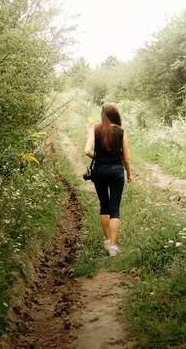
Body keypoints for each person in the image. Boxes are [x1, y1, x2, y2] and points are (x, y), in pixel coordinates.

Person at [84, 102, 132, 256]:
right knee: (115, 209)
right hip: (117, 171)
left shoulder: (95, 128)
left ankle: (107, 240)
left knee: (104, 205)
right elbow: (126, 158)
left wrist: (99, 158)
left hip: (99, 171)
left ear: (103, 114)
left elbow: (86, 150)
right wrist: (129, 174)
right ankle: (113, 246)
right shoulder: (121, 131)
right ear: (115, 114)